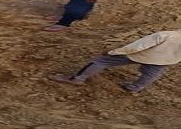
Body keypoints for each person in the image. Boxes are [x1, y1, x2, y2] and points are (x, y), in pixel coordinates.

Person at [49, 29, 181, 93]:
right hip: (165, 60)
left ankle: (77, 78)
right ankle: (135, 88)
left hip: (141, 54)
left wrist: (115, 51)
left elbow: (139, 46)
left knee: (102, 61)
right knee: (152, 74)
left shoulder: (166, 35)